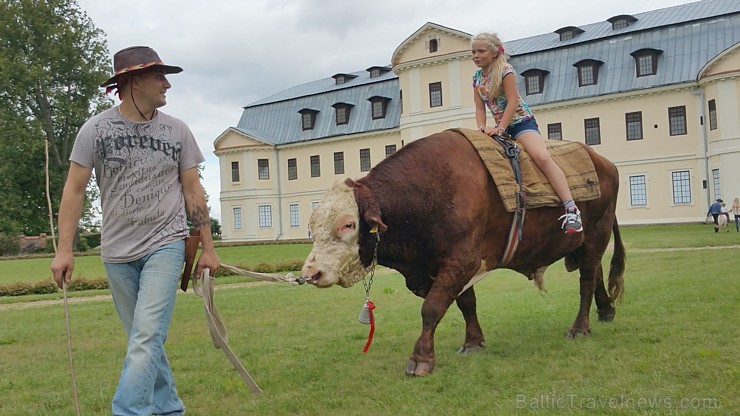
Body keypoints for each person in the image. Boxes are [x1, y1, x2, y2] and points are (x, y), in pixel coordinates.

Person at [51, 46, 219, 416]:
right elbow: (74, 190)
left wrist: (207, 247)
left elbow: (194, 190)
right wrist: (64, 250)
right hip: (116, 253)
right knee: (144, 341)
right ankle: (170, 409)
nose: (167, 84)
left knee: (144, 338)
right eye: (159, 76)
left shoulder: (177, 130)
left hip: (166, 243)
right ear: (133, 81)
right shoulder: (94, 130)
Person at [471, 32, 582, 234]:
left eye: (481, 51)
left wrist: (501, 128)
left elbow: (512, 101)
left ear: (495, 52)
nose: (476, 56)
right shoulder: (476, 78)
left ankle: (571, 208)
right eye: (473, 52)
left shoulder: (505, 71)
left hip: (520, 123)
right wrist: (481, 128)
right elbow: (480, 108)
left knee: (542, 157)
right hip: (498, 127)